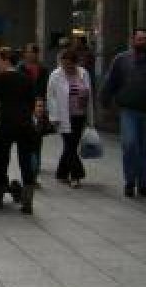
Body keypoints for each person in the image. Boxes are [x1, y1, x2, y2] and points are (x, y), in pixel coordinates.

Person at [101, 27, 146, 198]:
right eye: (139, 39)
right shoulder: (121, 60)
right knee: (130, 144)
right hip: (129, 110)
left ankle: (143, 182)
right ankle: (130, 181)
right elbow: (110, 81)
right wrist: (105, 100)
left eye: (145, 39)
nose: (142, 42)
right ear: (133, 41)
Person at [0, 46, 39, 213]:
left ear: (6, 60)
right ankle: (27, 202)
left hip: (7, 124)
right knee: (25, 161)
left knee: (2, 159)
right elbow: (32, 102)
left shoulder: (0, 78)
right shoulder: (26, 78)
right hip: (25, 124)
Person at [47, 48, 94, 188]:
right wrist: (53, 116)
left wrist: (90, 117)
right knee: (70, 146)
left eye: (68, 64)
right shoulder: (55, 75)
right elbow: (51, 96)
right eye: (63, 64)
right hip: (63, 116)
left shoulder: (83, 73)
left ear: (75, 63)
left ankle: (61, 173)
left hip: (79, 115)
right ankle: (76, 175)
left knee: (71, 146)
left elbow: (89, 94)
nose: (65, 67)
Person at [20, 43, 50, 182]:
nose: (29, 54)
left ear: (37, 54)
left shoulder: (43, 70)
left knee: (37, 139)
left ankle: (35, 168)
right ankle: (29, 168)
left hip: (39, 107)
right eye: (28, 52)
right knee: (27, 139)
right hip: (25, 108)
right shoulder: (20, 68)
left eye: (32, 52)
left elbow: (46, 88)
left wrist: (44, 104)